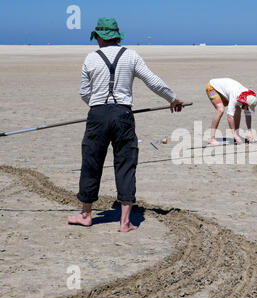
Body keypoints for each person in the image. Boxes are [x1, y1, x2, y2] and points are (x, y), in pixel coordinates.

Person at [68, 18, 184, 232]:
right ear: (117, 36)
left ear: (99, 37)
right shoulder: (131, 56)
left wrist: (98, 107)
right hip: (123, 115)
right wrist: (172, 99)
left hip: (97, 116)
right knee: (125, 163)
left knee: (91, 162)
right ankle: (125, 222)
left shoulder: (91, 59)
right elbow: (153, 81)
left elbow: (85, 93)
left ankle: (86, 215)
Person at [206, 78, 257, 145]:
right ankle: (212, 139)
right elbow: (229, 116)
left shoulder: (248, 96)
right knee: (220, 109)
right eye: (247, 106)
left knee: (238, 109)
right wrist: (234, 135)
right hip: (212, 87)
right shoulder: (235, 96)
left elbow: (247, 113)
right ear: (245, 102)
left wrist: (249, 131)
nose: (247, 108)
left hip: (226, 89)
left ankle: (236, 134)